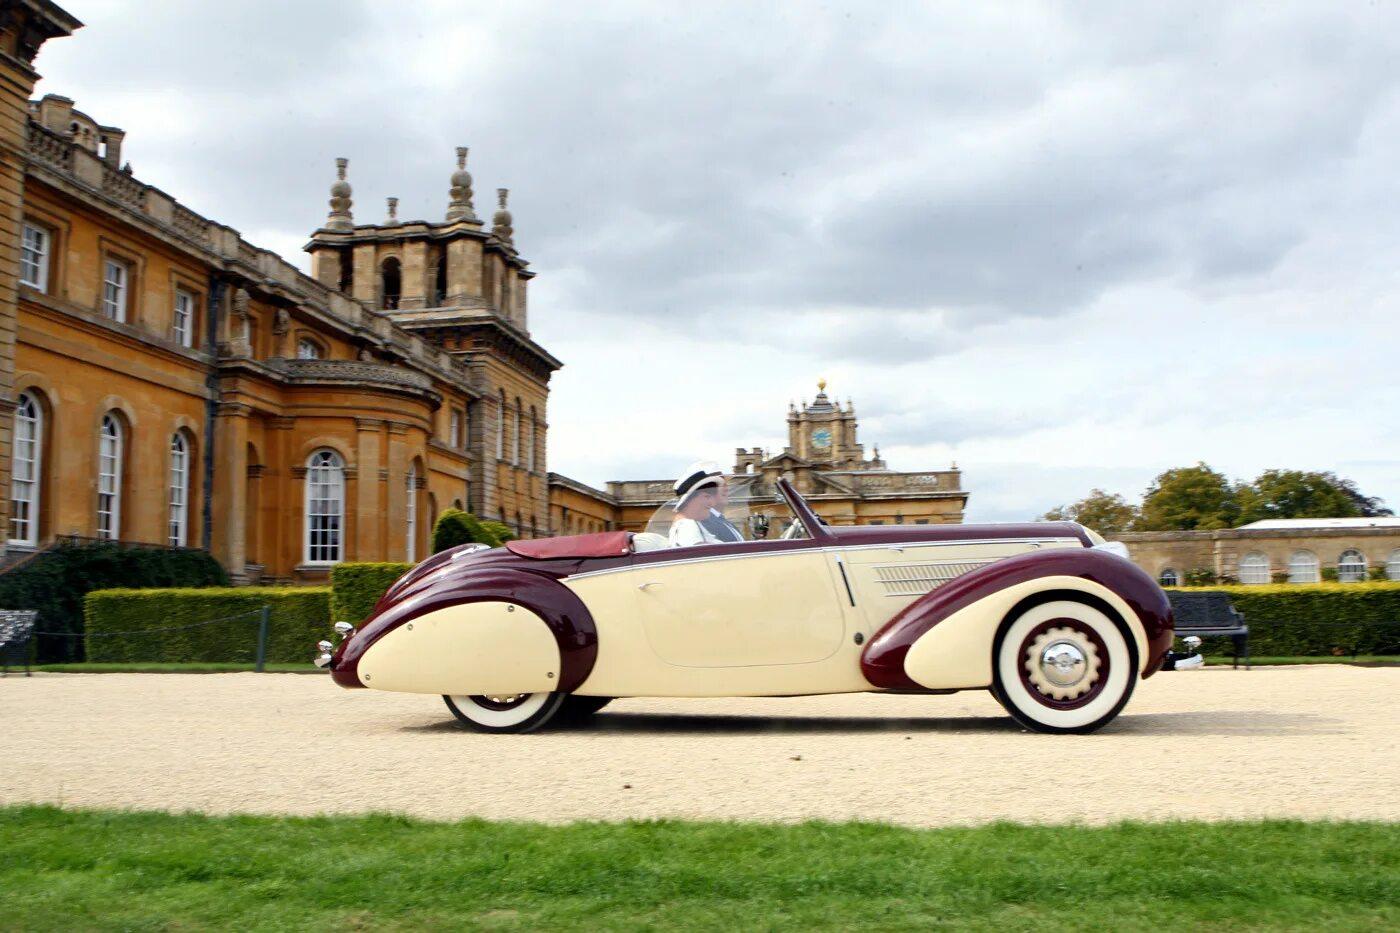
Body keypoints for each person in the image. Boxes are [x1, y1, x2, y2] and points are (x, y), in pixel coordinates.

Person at [669, 461, 744, 547]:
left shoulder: (696, 524)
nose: (711, 502)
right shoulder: (687, 525)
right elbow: (700, 551)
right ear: (690, 500)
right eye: (706, 496)